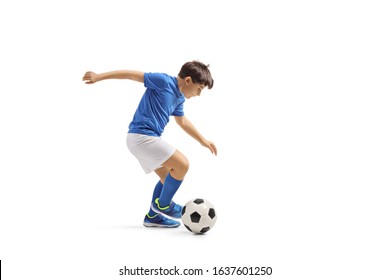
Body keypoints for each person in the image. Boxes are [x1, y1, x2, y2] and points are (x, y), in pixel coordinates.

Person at [82, 61, 217, 228]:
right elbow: (131, 74)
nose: (198, 94)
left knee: (167, 176)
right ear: (188, 80)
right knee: (183, 164)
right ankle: (164, 205)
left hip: (142, 139)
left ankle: (153, 216)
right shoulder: (163, 81)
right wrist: (98, 77)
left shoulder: (179, 99)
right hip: (142, 137)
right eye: (199, 89)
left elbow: (182, 121)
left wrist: (203, 141)